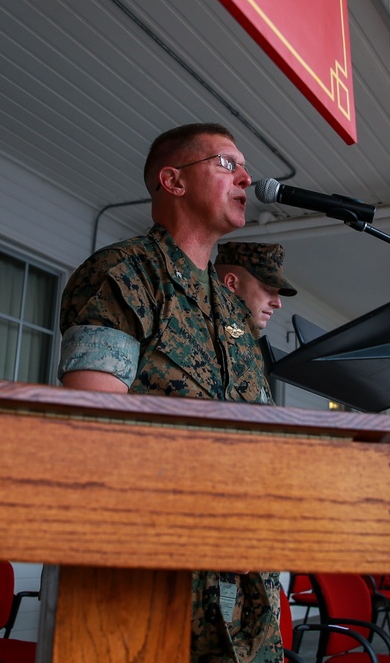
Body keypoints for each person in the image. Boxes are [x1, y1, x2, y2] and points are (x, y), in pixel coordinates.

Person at [58, 123, 282, 662]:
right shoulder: (126, 275)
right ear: (173, 181)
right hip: (157, 596)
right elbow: (94, 430)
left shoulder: (232, 312)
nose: (247, 178)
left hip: (248, 599)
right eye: (227, 164)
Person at [214, 242, 297, 332]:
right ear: (231, 283)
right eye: (268, 290)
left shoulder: (240, 337)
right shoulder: (202, 328)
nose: (278, 304)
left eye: (277, 293)